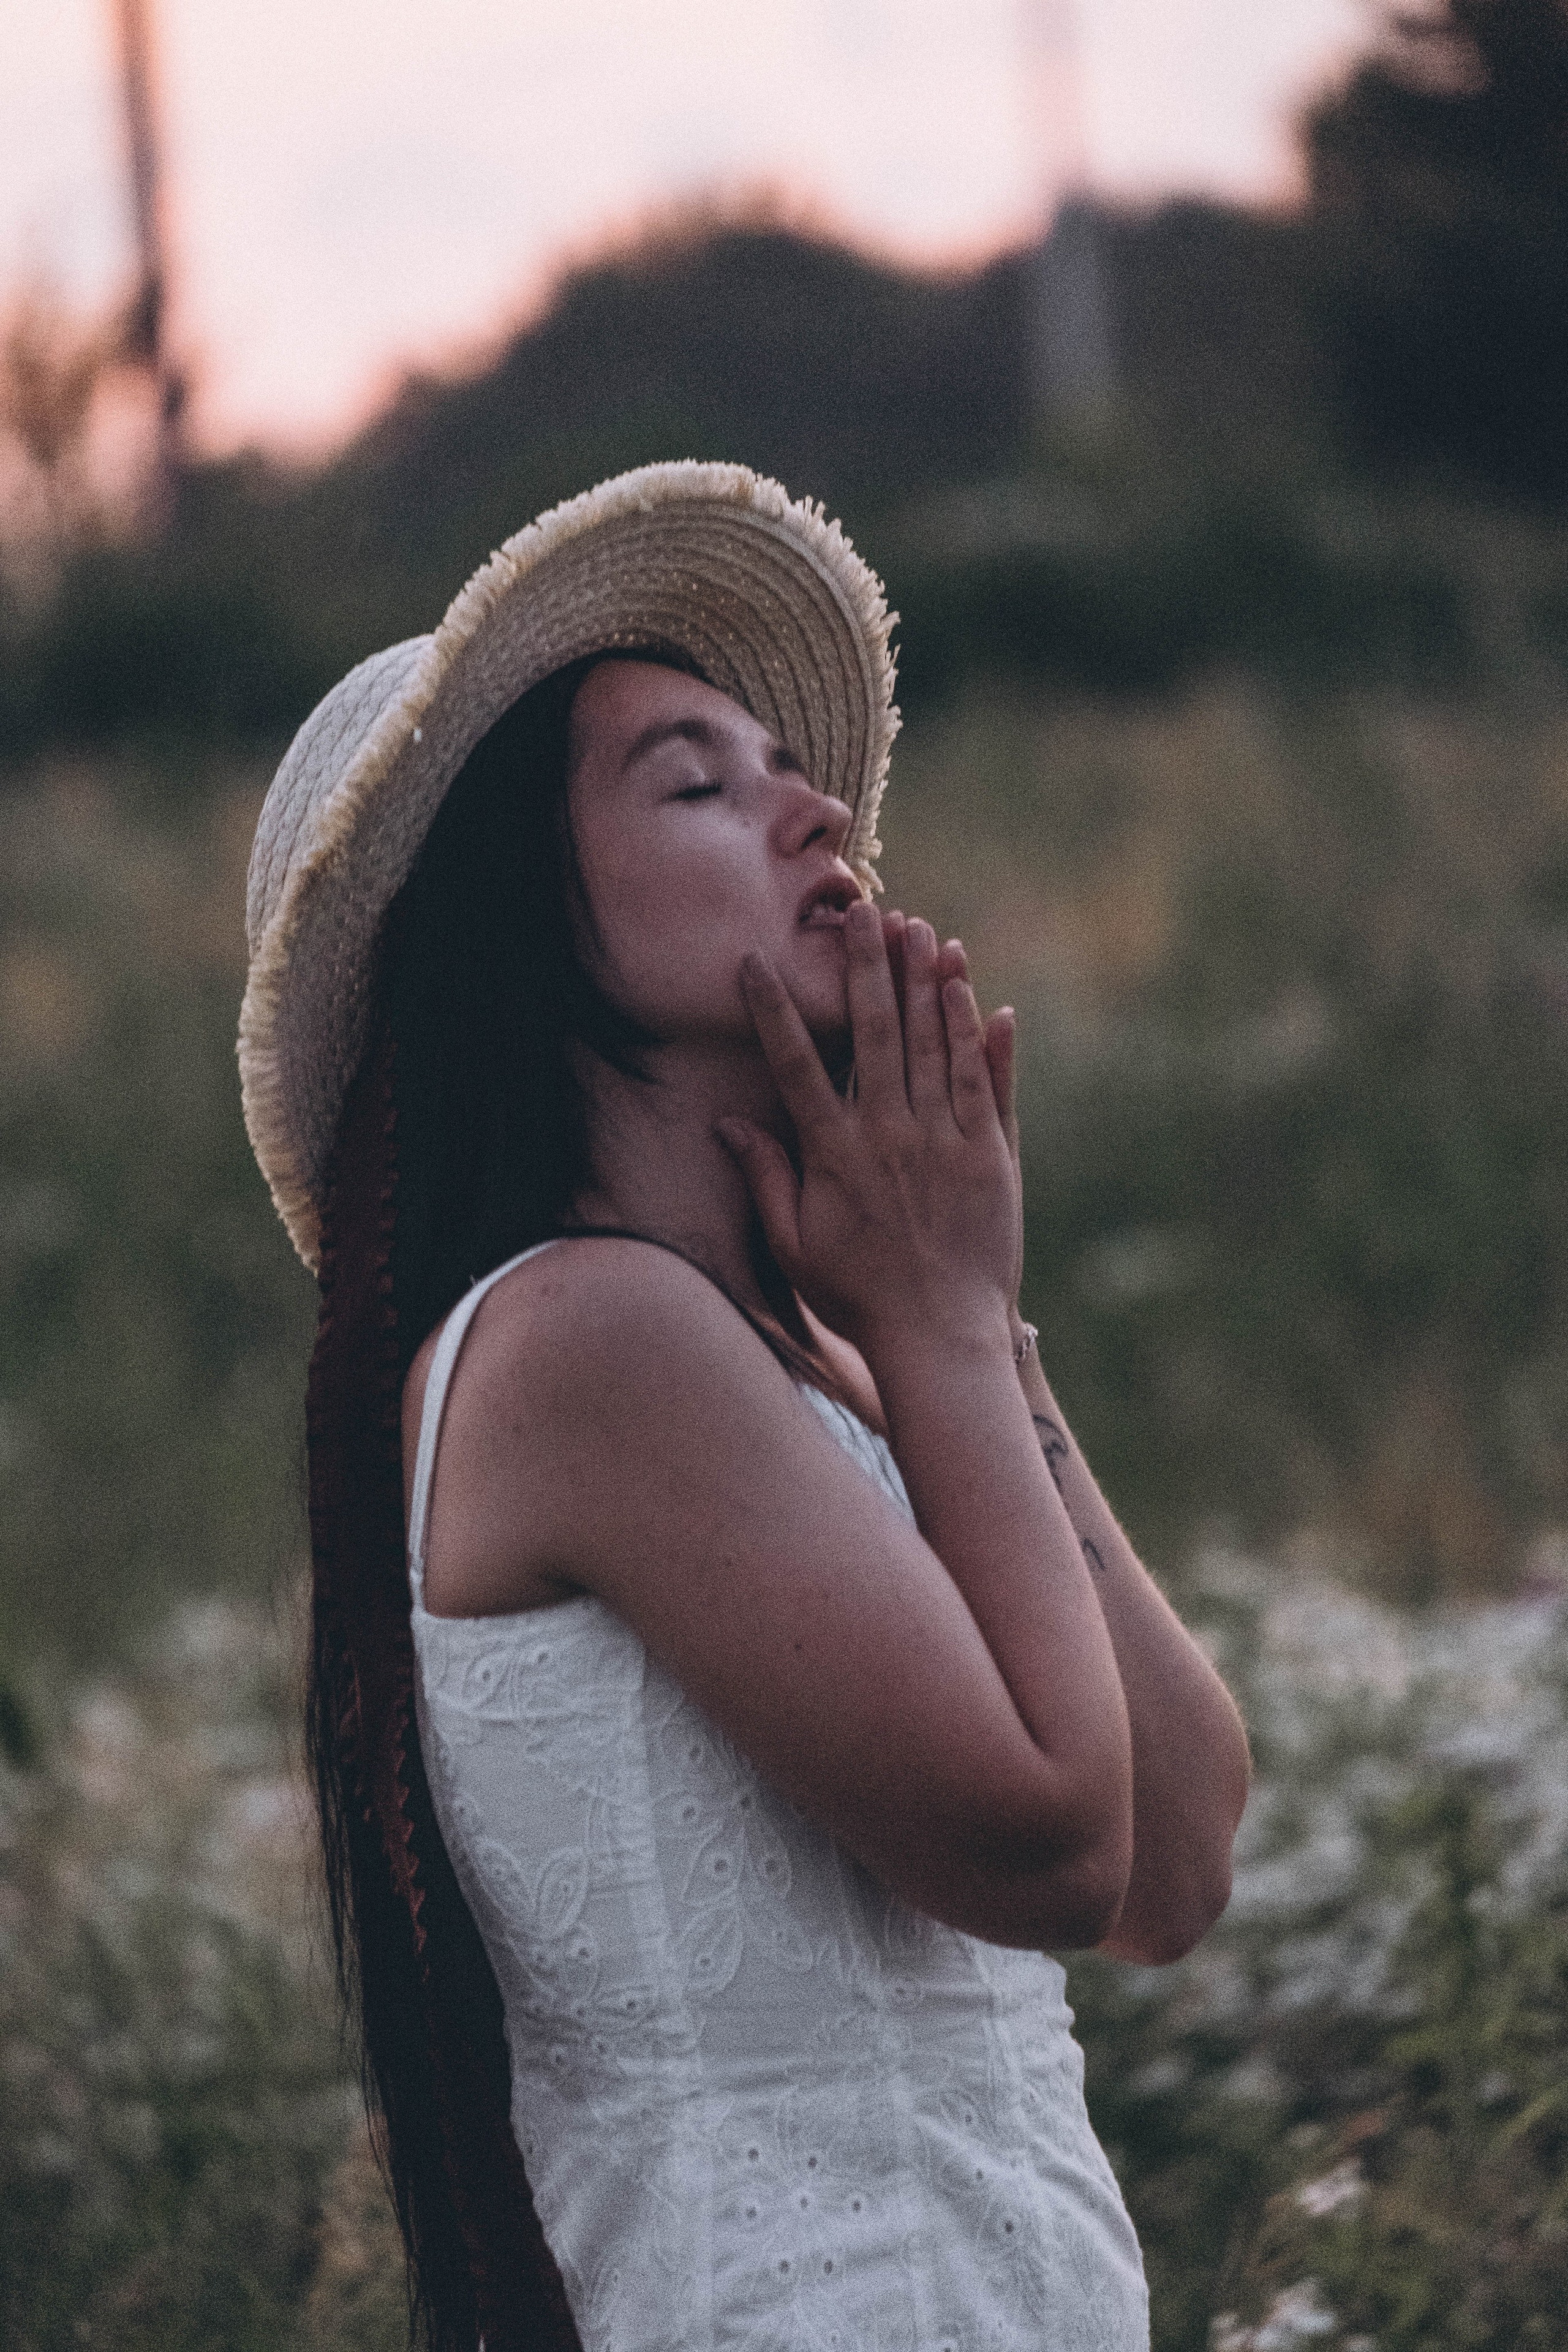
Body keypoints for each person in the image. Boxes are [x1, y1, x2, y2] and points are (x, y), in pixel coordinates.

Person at [239, 461, 1251, 2352]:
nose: (818, 812)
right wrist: (945, 1335)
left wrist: (970, 1326)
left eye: (790, 767)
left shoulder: (834, 1356)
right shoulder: (584, 1341)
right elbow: (1055, 1846)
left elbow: (1177, 1860)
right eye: (696, 783)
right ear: (511, 926)